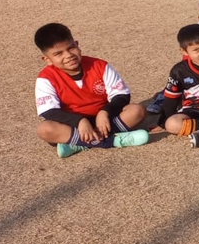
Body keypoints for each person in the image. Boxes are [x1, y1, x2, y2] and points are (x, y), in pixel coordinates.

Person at [33, 23, 149, 157]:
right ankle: (113, 140)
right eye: (58, 53)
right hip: (74, 125)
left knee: (137, 110)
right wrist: (80, 121)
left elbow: (122, 95)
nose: (68, 55)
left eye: (71, 48)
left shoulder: (99, 65)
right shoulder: (45, 78)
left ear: (77, 44)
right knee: (45, 129)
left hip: (106, 120)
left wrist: (105, 112)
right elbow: (49, 111)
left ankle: (78, 143)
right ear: (47, 59)